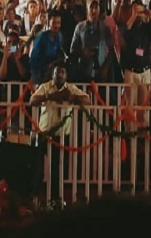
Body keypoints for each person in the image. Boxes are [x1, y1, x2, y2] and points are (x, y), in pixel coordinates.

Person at [30, 61, 92, 199]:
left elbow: (88, 101)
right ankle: (35, 197)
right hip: (44, 133)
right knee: (37, 168)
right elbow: (32, 101)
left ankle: (55, 199)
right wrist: (50, 97)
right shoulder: (46, 87)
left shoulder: (70, 88)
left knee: (57, 169)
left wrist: (73, 98)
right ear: (52, 74)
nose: (59, 75)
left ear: (66, 75)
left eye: (62, 72)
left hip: (61, 135)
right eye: (57, 72)